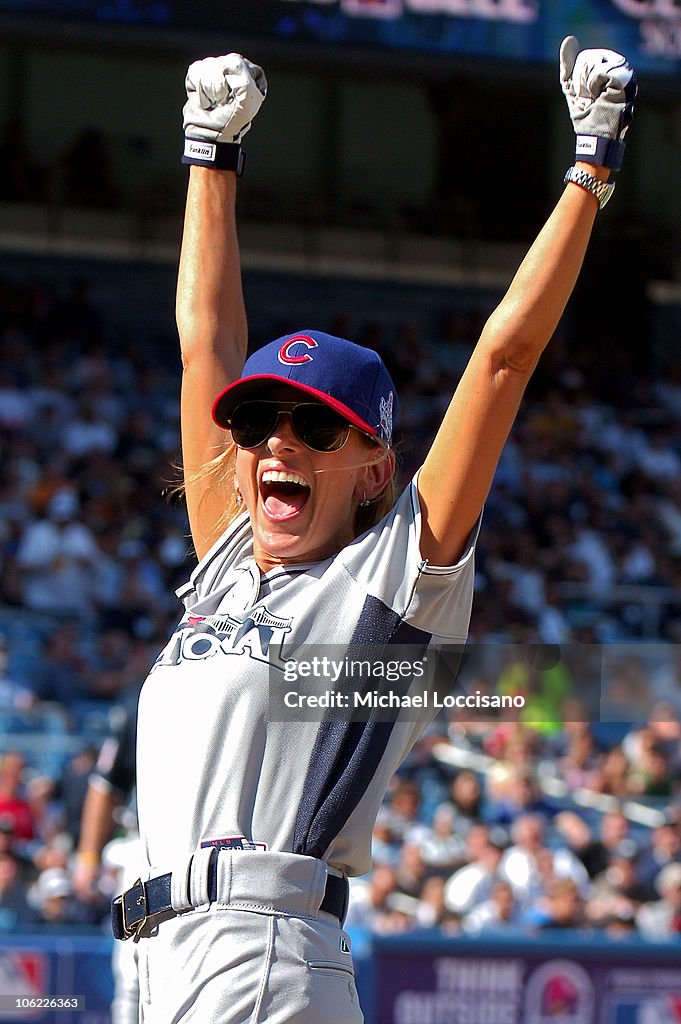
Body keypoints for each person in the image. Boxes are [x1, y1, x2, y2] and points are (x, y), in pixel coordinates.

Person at [111, 41, 637, 1024]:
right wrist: (209, 155)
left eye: (316, 427)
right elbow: (205, 348)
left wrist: (589, 167)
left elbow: (501, 362)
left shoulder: (394, 579)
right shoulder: (228, 565)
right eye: (262, 423)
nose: (278, 443)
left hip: (260, 946)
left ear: (377, 469)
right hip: (151, 958)